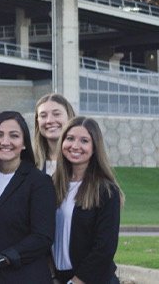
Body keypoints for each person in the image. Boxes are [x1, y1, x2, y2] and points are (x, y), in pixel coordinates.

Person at [0, 112, 55, 283]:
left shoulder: (39, 182)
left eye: (14, 136)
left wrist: (0, 260)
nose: (5, 142)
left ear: (24, 144)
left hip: (23, 277)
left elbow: (42, 237)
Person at [50, 118, 123, 284]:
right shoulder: (52, 185)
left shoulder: (106, 191)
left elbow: (104, 248)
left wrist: (76, 282)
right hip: (59, 278)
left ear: (94, 147)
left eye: (84, 141)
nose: (75, 146)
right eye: (70, 138)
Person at [32, 94, 77, 176]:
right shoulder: (30, 164)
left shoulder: (83, 162)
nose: (49, 120)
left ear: (69, 117)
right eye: (43, 116)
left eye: (56, 114)